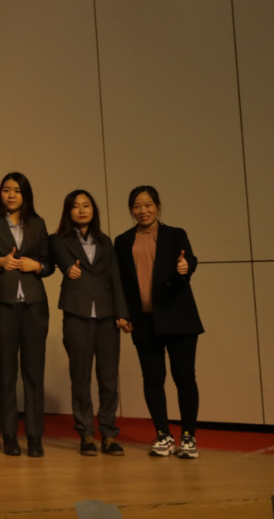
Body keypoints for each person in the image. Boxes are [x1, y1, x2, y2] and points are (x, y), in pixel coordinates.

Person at [114, 186, 201, 459]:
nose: (143, 211)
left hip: (178, 317)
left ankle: (188, 437)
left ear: (158, 206)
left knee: (184, 377)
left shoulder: (176, 234)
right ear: (131, 210)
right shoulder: (122, 240)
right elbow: (121, 281)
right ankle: (163, 435)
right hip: (143, 320)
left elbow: (190, 259)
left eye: (148, 205)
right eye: (137, 206)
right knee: (153, 379)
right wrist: (123, 313)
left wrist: (187, 267)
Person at [0, 172, 54, 458]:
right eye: (6, 190)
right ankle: (9, 435)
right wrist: (0, 261)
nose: (11, 195)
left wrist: (38, 267)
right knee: (6, 372)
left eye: (17, 191)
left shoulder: (38, 223)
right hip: (1, 302)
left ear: (25, 195)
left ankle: (35, 436)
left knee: (34, 372)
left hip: (34, 304)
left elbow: (48, 262)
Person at [50, 190, 130, 457]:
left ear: (93, 209)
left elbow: (115, 277)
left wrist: (122, 313)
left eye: (86, 205)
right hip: (77, 314)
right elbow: (60, 258)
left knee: (108, 379)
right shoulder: (58, 240)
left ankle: (109, 434)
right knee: (81, 378)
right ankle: (85, 433)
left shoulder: (106, 242)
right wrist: (67, 268)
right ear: (68, 211)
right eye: (76, 206)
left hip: (107, 316)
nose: (82, 210)